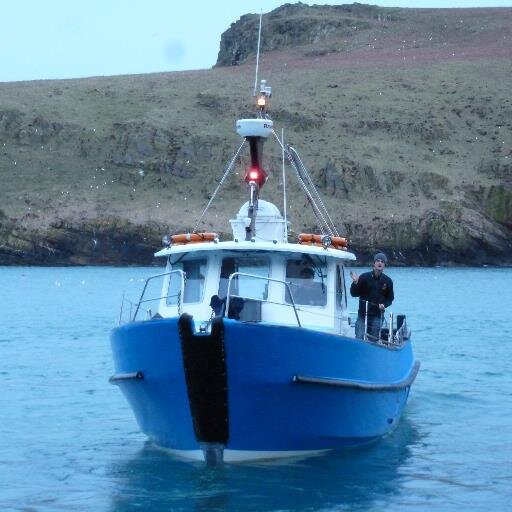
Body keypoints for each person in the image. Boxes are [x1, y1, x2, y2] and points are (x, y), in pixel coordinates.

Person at [350, 252, 394, 340]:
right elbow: (354, 294)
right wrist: (355, 283)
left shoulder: (388, 281)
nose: (380, 263)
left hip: (377, 315)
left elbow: (390, 298)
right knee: (359, 337)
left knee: (374, 339)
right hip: (362, 315)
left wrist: (384, 305)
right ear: (374, 263)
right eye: (377, 261)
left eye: (382, 261)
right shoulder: (364, 277)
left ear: (384, 265)